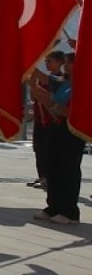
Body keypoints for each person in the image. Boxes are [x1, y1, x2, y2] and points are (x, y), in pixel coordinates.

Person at [30, 52, 82, 225]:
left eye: (69, 63)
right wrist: (35, 87)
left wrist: (51, 103)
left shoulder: (84, 85)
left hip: (72, 130)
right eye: (65, 62)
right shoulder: (63, 83)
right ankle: (53, 206)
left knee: (68, 169)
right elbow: (45, 83)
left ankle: (69, 211)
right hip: (56, 126)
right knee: (52, 166)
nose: (65, 66)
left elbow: (72, 111)